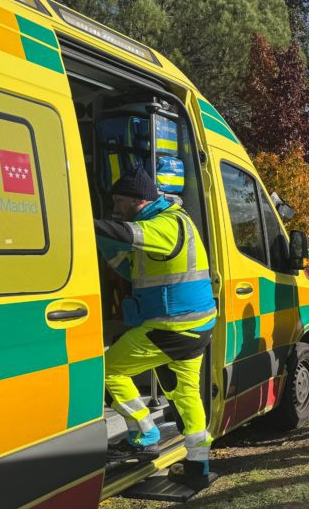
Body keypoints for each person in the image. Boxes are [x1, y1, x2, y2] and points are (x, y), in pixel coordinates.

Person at [94, 169, 216, 489]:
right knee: (186, 395)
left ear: (139, 200)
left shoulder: (164, 225)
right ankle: (198, 467)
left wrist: (78, 220)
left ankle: (145, 434)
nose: (117, 208)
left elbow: (125, 234)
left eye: (120, 202)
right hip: (193, 325)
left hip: (172, 328)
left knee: (109, 372)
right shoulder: (175, 220)